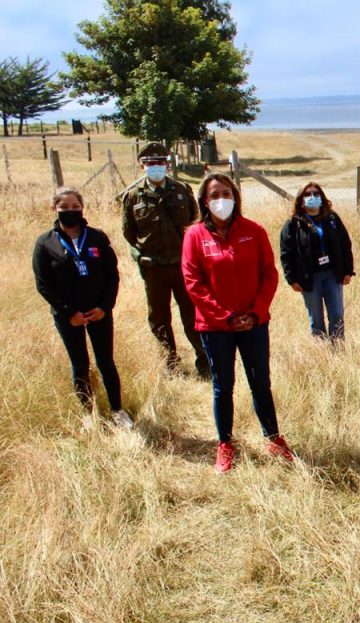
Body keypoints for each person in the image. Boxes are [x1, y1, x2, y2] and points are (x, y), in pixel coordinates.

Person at [181, 173, 294, 473]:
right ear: (204, 201)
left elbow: (269, 274)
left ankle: (273, 438)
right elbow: (193, 283)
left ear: (236, 197)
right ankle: (225, 444)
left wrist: (255, 312)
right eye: (215, 194)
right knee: (223, 386)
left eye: (226, 193)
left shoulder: (253, 231)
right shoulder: (194, 236)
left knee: (261, 383)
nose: (221, 199)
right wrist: (226, 317)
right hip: (217, 327)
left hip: (254, 323)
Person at [33, 187, 134, 428]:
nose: (70, 211)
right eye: (64, 208)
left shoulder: (97, 237)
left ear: (82, 208)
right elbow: (43, 284)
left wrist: (104, 307)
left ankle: (117, 411)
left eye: (75, 207)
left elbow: (112, 275)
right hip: (68, 316)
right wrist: (69, 313)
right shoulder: (45, 243)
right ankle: (88, 414)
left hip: (98, 312)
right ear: (54, 209)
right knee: (80, 364)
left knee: (106, 362)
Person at [121, 142, 209, 377]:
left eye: (160, 163)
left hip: (183, 266)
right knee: (159, 319)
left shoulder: (182, 190)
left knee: (192, 315)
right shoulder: (133, 197)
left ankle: (205, 362)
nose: (155, 167)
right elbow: (129, 232)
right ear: (142, 166)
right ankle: (171, 364)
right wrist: (141, 257)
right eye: (150, 164)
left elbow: (194, 222)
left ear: (167, 164)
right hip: (154, 268)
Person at [280, 182, 355, 340]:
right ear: (301, 200)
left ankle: (338, 351)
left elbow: (345, 244)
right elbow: (286, 253)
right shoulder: (293, 224)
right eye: (307, 195)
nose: (312, 197)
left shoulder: (332, 218)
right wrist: (291, 279)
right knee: (316, 319)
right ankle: (321, 352)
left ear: (321, 197)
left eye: (316, 193)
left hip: (333, 275)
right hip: (309, 278)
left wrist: (348, 270)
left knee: (337, 315)